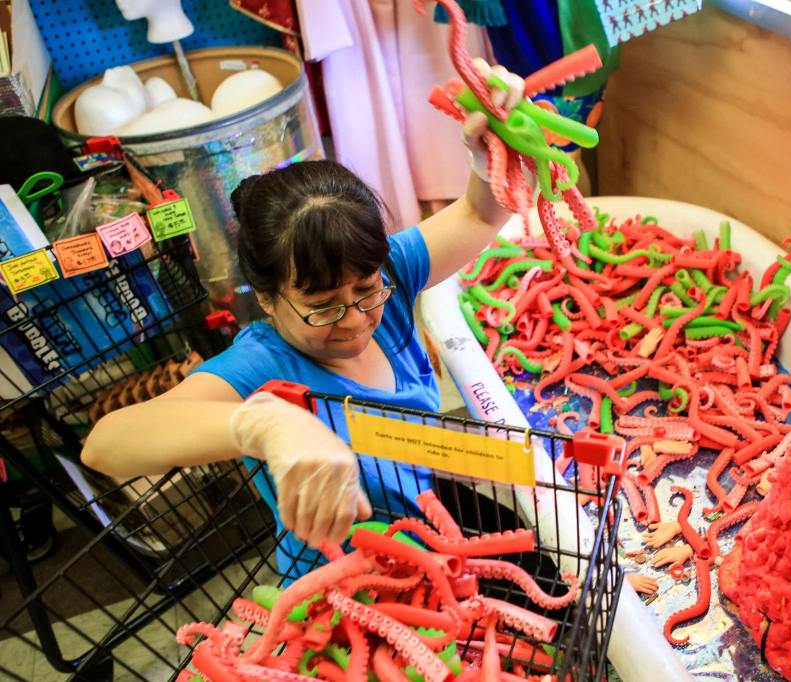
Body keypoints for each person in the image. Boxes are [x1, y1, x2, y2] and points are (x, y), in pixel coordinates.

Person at [82, 63, 526, 578]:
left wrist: (492, 147)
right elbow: (106, 443)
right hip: (346, 580)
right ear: (268, 299)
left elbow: (477, 215)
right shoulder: (260, 364)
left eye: (365, 291)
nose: (355, 319)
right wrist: (266, 423)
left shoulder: (394, 273)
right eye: (322, 306)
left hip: (425, 527)